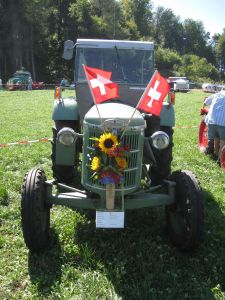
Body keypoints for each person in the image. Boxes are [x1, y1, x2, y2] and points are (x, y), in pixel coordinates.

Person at [204, 88, 225, 161]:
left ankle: (216, 155)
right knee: (223, 140)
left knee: (216, 137)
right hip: (223, 122)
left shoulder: (216, 94)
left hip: (211, 121)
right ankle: (220, 159)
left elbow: (206, 102)